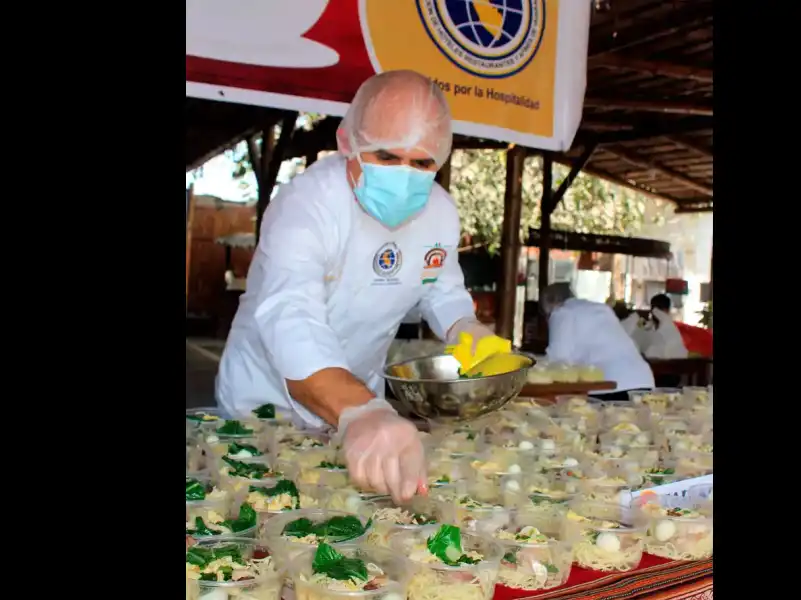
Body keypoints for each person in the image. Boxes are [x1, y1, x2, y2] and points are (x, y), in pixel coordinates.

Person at [215, 70, 496, 502]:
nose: (405, 176)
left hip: (361, 404)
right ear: (348, 142)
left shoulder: (439, 212)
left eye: (422, 164)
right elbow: (292, 316)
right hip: (264, 402)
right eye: (386, 156)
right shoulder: (306, 205)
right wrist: (358, 410)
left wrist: (464, 328)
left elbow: (440, 287)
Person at [540, 283, 654, 400]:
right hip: (643, 380)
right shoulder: (601, 309)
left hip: (611, 385)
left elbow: (557, 360)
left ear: (550, 304)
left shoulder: (561, 312)